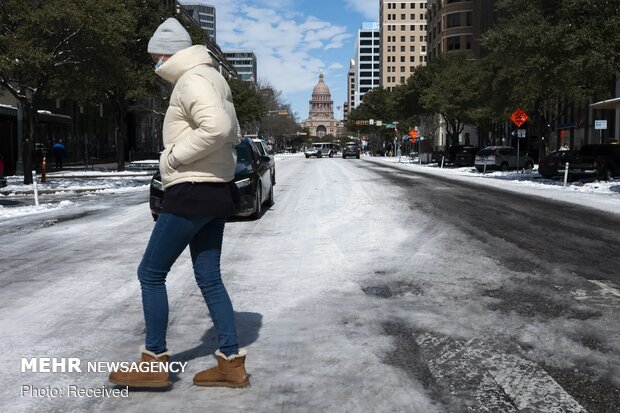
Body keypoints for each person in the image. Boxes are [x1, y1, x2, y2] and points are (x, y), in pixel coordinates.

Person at [109, 17, 248, 389]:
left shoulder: (192, 79)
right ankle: (230, 364)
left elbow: (217, 129)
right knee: (209, 277)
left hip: (191, 190)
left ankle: (154, 361)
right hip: (216, 190)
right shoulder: (215, 79)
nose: (155, 64)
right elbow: (232, 132)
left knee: (150, 274)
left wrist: (172, 159)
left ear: (169, 53)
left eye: (156, 57)